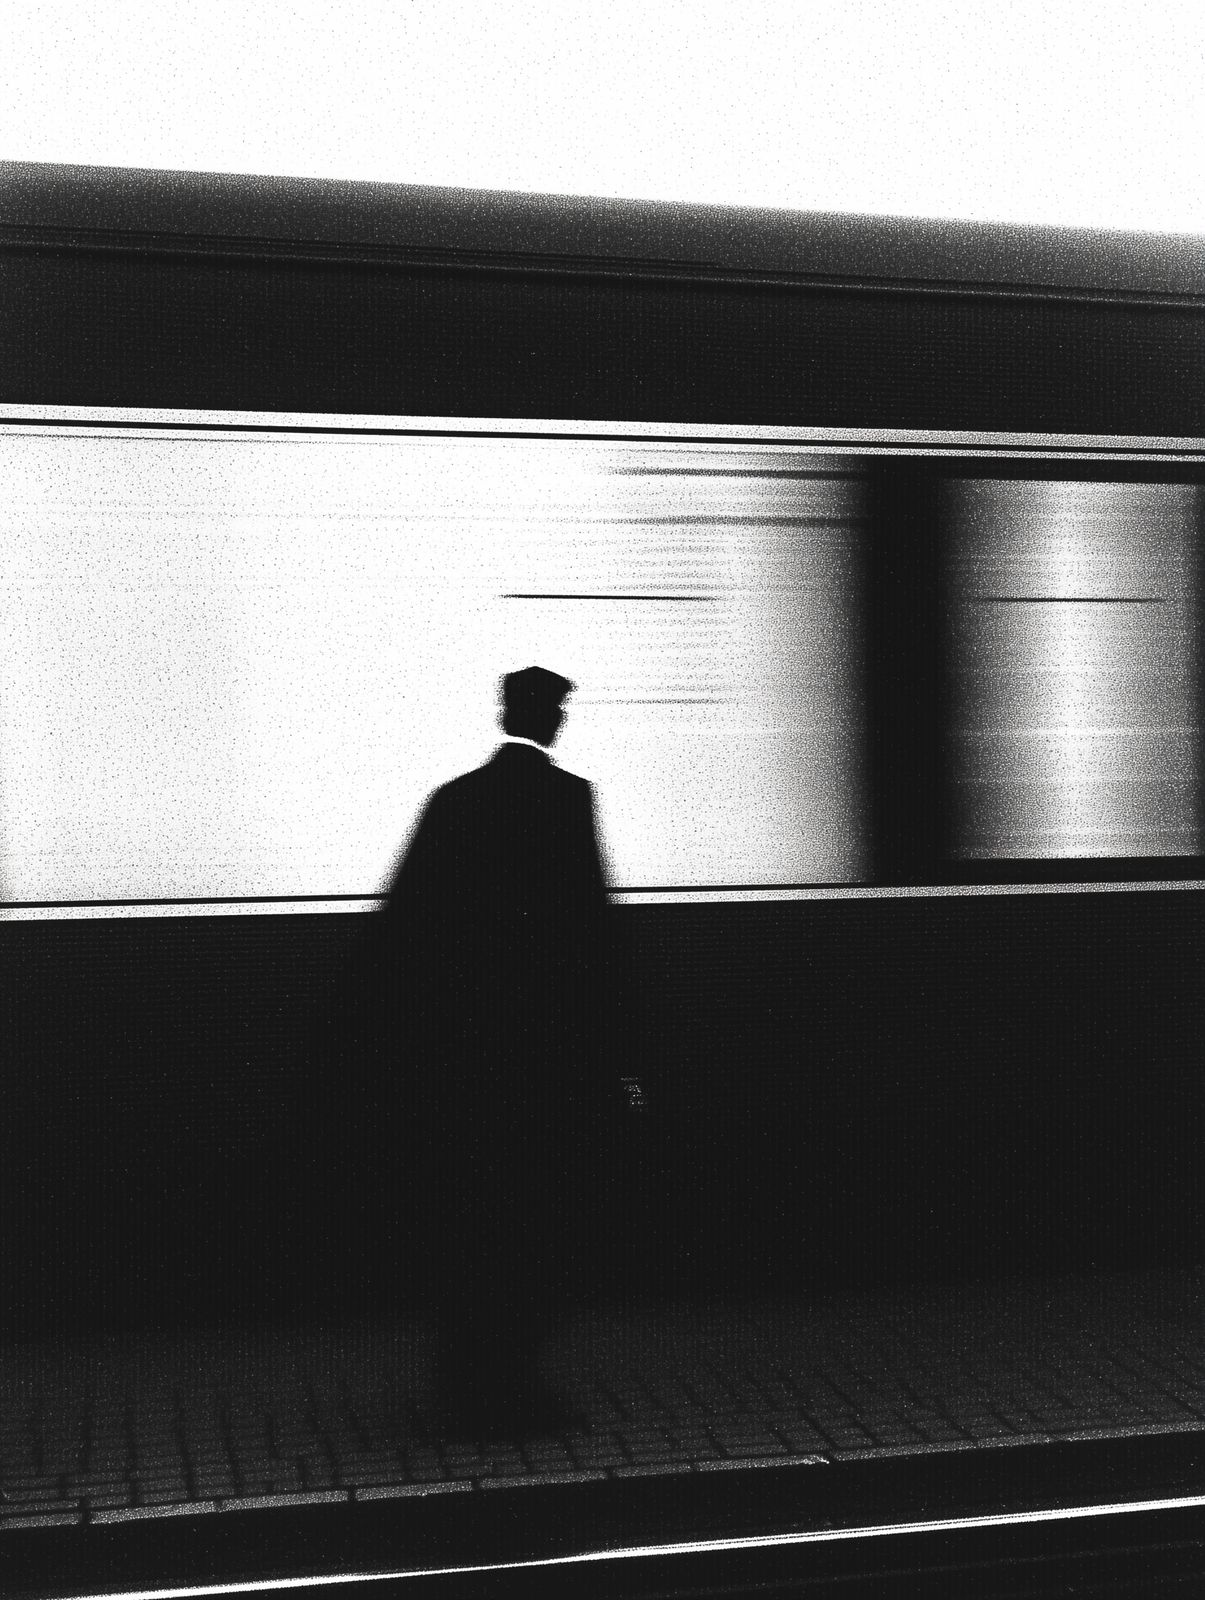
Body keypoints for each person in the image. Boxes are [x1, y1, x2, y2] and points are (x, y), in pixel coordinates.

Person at [377, 667, 622, 1437]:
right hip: (548, 1061)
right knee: (541, 1224)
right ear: (546, 719)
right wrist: (620, 1055)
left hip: (466, 1062)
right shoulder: (568, 802)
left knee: (471, 1221)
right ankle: (516, 1383)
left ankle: (464, 1387)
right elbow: (594, 937)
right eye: (556, 709)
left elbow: (404, 930)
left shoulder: (453, 803)